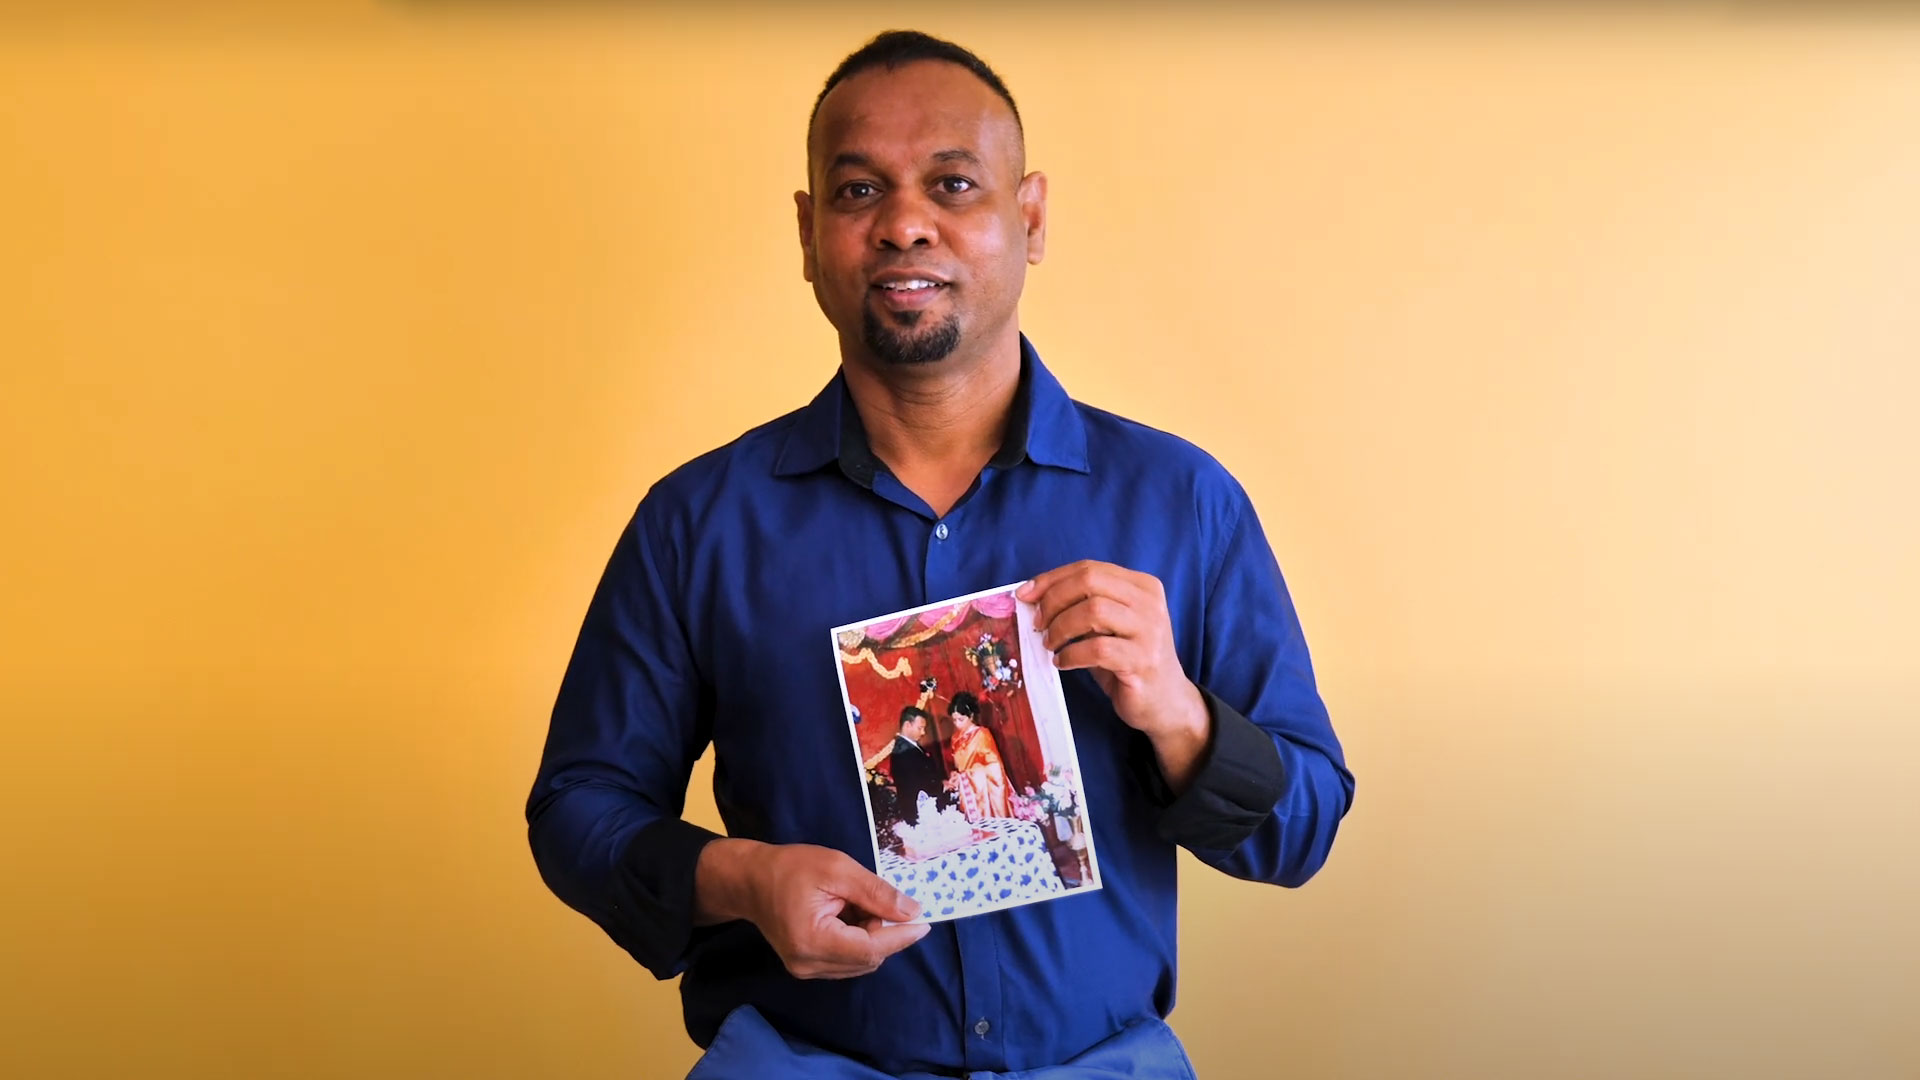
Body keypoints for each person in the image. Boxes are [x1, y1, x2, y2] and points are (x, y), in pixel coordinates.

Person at [526, 29, 1354, 1079]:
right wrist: (739, 879)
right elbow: (578, 809)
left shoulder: (1181, 502)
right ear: (808, 230)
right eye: (858, 191)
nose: (904, 223)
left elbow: (1304, 828)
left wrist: (1180, 716)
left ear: (1032, 217)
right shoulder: (698, 522)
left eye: (953, 184)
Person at [943, 692, 1010, 821]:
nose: (957, 724)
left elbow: (995, 767)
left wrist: (967, 776)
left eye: (961, 720)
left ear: (971, 716)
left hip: (983, 795)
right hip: (966, 791)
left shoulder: (982, 734)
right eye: (954, 720)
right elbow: (959, 767)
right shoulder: (955, 738)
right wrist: (956, 776)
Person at [883, 705, 946, 825]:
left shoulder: (910, 746)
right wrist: (942, 786)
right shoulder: (903, 751)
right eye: (920, 728)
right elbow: (916, 784)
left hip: (926, 810)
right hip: (921, 815)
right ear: (907, 725)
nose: (923, 733)